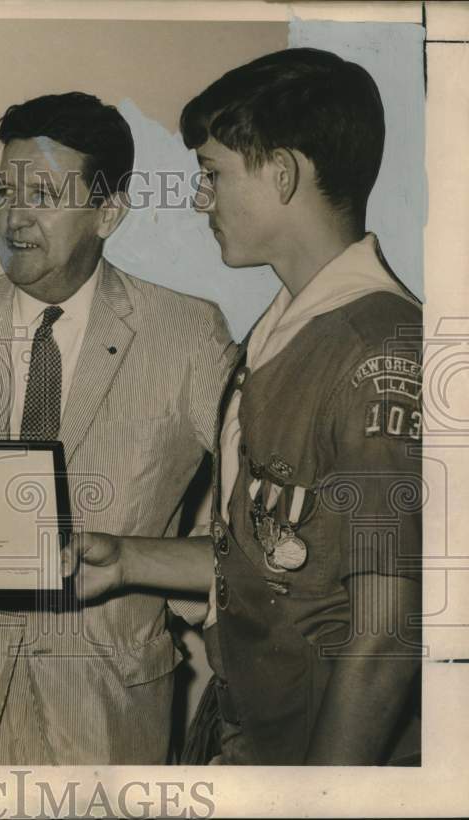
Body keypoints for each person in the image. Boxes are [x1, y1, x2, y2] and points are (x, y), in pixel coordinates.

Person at [65, 48, 423, 765]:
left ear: (283, 174)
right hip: (243, 730)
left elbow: (389, 628)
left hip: (315, 754)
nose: (202, 200)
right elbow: (276, 556)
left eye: (213, 174)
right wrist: (127, 560)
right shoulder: (285, 330)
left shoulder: (379, 350)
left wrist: (323, 802)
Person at [0, 92, 235, 765]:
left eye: (44, 193)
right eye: (6, 189)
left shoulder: (188, 334)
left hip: (107, 716)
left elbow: (263, 512)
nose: (15, 215)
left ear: (107, 212)